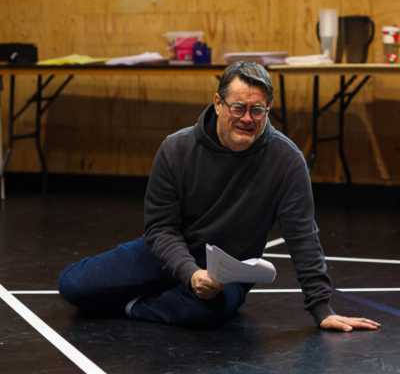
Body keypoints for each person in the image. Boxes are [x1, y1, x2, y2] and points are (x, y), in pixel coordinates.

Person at [59, 61, 380, 332]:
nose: (247, 118)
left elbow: (303, 236)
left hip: (230, 272)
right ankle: (170, 290)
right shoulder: (177, 148)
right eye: (238, 107)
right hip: (169, 255)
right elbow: (160, 228)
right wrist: (189, 272)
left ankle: (135, 307)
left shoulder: (286, 159)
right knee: (74, 286)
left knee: (208, 313)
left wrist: (322, 310)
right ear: (217, 102)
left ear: (268, 109)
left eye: (258, 110)